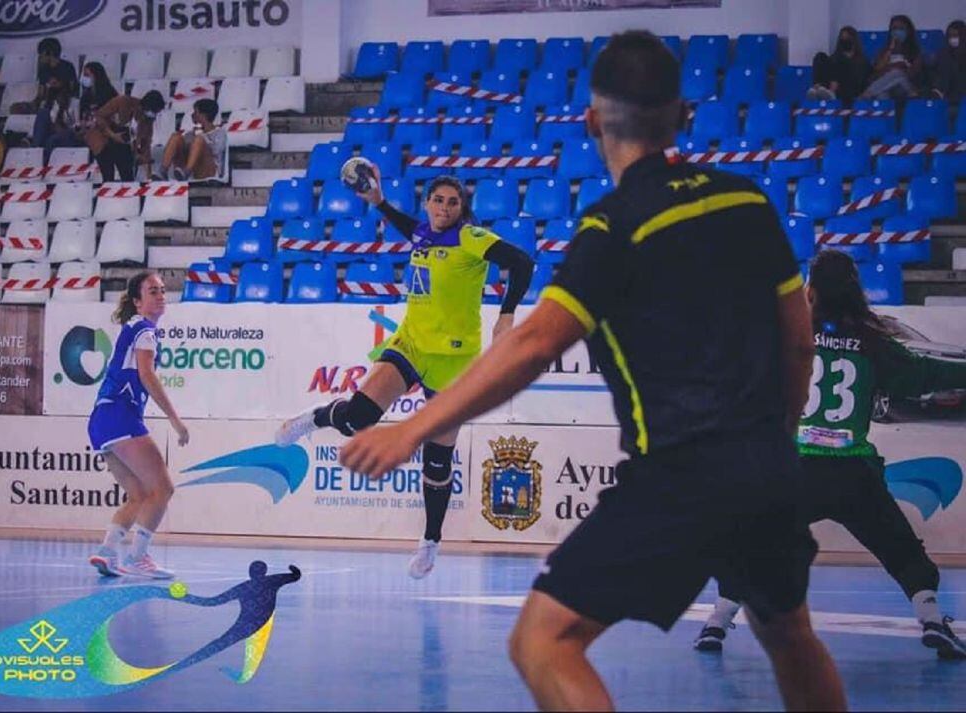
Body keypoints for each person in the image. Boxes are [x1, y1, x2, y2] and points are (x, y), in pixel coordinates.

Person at [339, 31, 848, 711]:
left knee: (542, 642)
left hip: (679, 473)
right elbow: (799, 343)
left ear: (589, 121)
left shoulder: (613, 228)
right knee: (789, 632)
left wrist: (413, 430)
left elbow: (532, 346)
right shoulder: (747, 203)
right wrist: (777, 443)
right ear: (684, 117)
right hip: (766, 466)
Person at [695, 250, 966, 661]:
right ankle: (931, 619)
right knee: (903, 552)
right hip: (853, 473)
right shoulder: (874, 342)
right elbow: (924, 372)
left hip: (796, 470)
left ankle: (715, 624)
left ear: (813, 290)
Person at [276, 167, 534, 579]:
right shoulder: (422, 235)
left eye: (453, 202)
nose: (444, 208)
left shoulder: (470, 237)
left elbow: (522, 263)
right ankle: (314, 418)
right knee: (357, 418)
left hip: (454, 361)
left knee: (437, 459)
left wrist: (506, 315)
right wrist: (377, 202)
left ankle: (430, 542)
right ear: (428, 203)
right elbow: (408, 227)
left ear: (462, 208)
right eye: (438, 200)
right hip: (410, 344)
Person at [87, 271, 189, 579]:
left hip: (101, 420)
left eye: (162, 290)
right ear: (137, 301)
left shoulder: (132, 328)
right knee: (164, 489)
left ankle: (106, 553)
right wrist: (175, 419)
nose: (160, 296)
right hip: (120, 416)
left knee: (139, 495)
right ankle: (137, 557)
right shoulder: (145, 330)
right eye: (152, 291)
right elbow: (147, 375)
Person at [90, 90, 165, 181]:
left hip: (123, 145)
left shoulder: (148, 121)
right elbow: (99, 116)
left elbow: (146, 144)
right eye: (155, 111)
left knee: (128, 179)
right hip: (104, 140)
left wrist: (149, 175)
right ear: (148, 106)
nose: (155, 115)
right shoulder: (123, 102)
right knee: (108, 176)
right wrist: (112, 135)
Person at [155, 98, 226, 181]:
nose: (192, 115)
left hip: (208, 171)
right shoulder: (192, 133)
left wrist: (203, 137)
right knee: (176, 137)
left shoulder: (220, 132)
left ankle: (187, 172)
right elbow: (183, 150)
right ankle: (163, 171)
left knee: (199, 140)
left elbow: (217, 152)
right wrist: (193, 136)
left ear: (203, 115)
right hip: (192, 168)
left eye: (195, 112)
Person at [10, 37, 78, 114]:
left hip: (63, 101)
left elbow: (73, 90)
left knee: (59, 101)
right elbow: (40, 94)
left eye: (41, 54)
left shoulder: (68, 67)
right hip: (46, 102)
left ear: (49, 53)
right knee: (15, 108)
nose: (40, 57)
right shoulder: (43, 69)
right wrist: (33, 104)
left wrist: (60, 85)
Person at [863, 14, 924, 99]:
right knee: (881, 94)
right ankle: (889, 111)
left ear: (908, 31)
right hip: (888, 85)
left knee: (897, 73)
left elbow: (913, 74)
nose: (897, 31)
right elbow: (877, 69)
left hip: (906, 87)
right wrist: (890, 49)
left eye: (901, 28)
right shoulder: (885, 50)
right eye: (894, 28)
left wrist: (895, 68)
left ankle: (865, 95)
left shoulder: (914, 51)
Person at [808, 26, 872, 103]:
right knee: (820, 56)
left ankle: (830, 93)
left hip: (849, 90)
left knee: (841, 63)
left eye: (847, 37)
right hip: (830, 86)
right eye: (842, 37)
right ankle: (818, 89)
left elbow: (862, 81)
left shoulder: (863, 61)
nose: (844, 40)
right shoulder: (836, 58)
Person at [31, 75, 81, 159]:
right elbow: (47, 123)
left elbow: (77, 125)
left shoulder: (75, 103)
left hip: (68, 133)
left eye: (55, 83)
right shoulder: (51, 103)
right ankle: (36, 149)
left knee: (51, 141)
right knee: (43, 113)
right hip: (53, 131)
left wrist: (64, 128)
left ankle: (39, 158)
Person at [932, 20, 966, 102]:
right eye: (950, 36)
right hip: (946, 94)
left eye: (955, 36)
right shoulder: (943, 54)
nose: (952, 39)